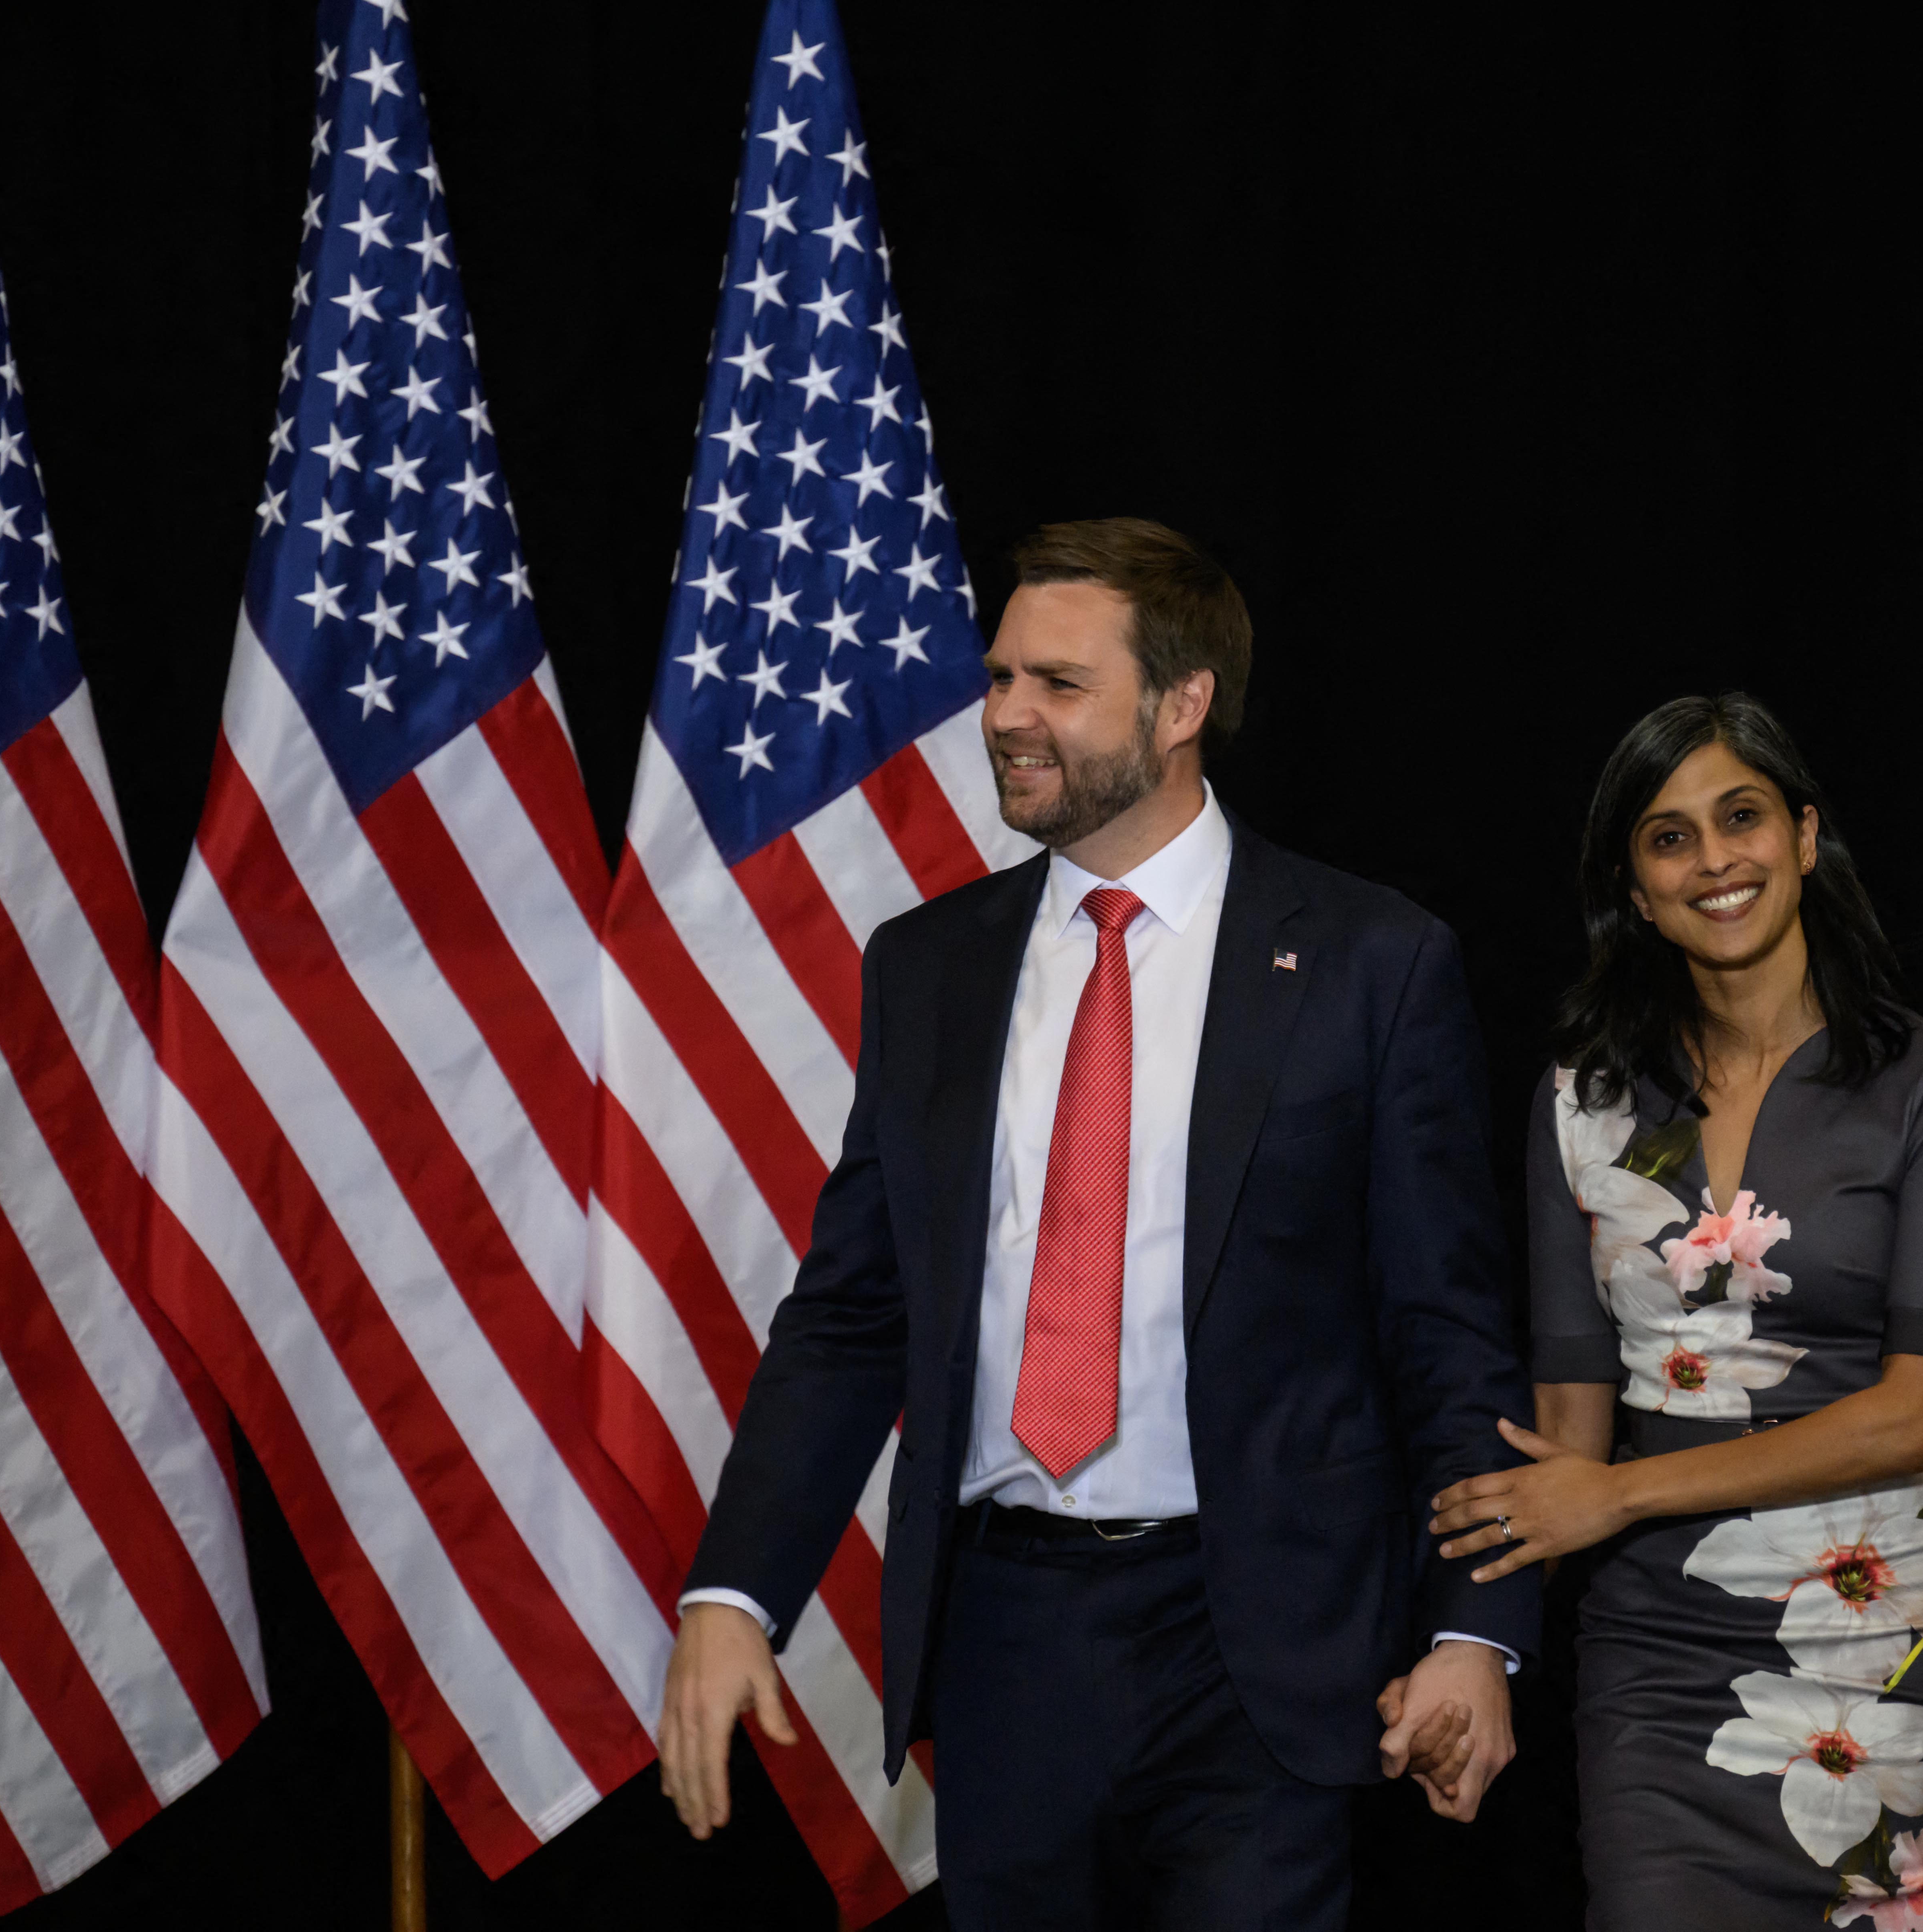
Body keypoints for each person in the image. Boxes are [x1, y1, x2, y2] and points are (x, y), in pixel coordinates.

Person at [654, 518, 1542, 1931]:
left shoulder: (1375, 962)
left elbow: (1444, 1328)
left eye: (1057, 685)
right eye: (1002, 678)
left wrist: (1474, 1629)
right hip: (1010, 1635)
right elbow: (852, 1315)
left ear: (1183, 707)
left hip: (1262, 1638)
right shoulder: (929, 967)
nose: (1007, 715)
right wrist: (733, 1594)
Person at [1412, 694, 1923, 1929]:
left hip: (1890, 1644)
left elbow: (1921, 1419)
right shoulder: (1582, 1102)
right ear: (1634, 888)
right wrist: (1469, 1647)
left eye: (1742, 818)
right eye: (1669, 838)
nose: (1715, 860)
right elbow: (1567, 1443)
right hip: (1660, 1658)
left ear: (1804, 836)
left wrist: (1615, 1494)